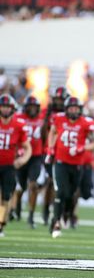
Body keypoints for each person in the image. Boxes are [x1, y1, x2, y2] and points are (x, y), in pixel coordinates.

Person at [46, 96, 94, 238]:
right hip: (60, 162)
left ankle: (65, 214)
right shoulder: (59, 119)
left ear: (80, 109)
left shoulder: (86, 123)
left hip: (77, 165)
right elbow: (52, 132)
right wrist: (51, 148)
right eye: (71, 108)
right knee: (60, 192)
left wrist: (82, 147)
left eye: (76, 108)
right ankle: (56, 222)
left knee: (71, 195)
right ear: (66, 109)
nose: (74, 110)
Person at [0, 93, 32, 237]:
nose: (5, 110)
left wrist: (23, 160)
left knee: (6, 197)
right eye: (3, 107)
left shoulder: (18, 124)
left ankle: (1, 222)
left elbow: (27, 147)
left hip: (9, 166)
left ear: (12, 109)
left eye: (8, 107)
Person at [14, 95, 44, 228]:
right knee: (21, 187)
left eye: (34, 107)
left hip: (36, 157)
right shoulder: (19, 119)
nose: (32, 109)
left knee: (33, 185)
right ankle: (18, 207)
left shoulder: (42, 119)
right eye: (30, 107)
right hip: (22, 155)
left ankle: (31, 215)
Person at [41, 86, 70, 225]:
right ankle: (47, 208)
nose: (58, 102)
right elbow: (43, 133)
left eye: (61, 99)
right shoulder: (48, 113)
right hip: (51, 152)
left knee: (67, 186)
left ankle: (63, 210)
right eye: (57, 99)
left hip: (66, 153)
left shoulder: (71, 113)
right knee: (52, 182)